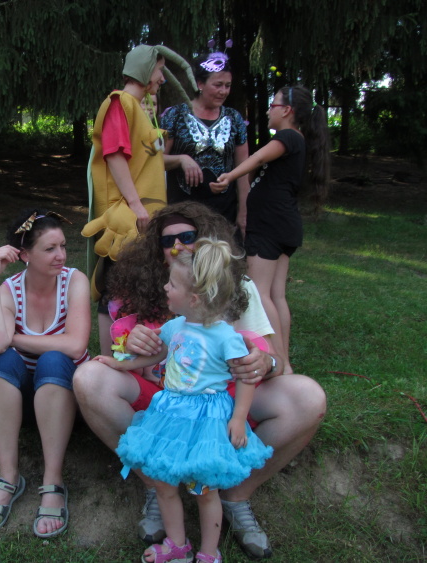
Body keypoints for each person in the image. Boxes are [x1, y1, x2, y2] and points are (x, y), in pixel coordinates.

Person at [73, 202, 327, 559]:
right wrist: (126, 348)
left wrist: (264, 362)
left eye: (187, 236)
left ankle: (235, 495)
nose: (177, 246)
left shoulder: (236, 287)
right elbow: (130, 351)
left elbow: (278, 362)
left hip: (218, 403)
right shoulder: (147, 289)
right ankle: (158, 484)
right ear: (156, 249)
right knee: (88, 378)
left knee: (309, 396)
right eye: (167, 241)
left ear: (206, 239)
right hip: (163, 402)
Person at [94, 238, 273, 563]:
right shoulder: (174, 327)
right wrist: (120, 364)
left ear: (193, 298)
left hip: (206, 422)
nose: (165, 287)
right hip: (169, 415)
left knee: (204, 490)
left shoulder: (226, 337)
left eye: (172, 284)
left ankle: (209, 552)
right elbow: (157, 354)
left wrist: (238, 418)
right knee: (164, 484)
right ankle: (177, 543)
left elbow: (246, 377)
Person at [0, 209, 91, 538]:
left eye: (63, 246)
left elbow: (75, 345)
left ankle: (52, 481)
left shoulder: (74, 280)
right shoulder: (10, 289)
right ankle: (8, 477)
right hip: (24, 405)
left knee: (53, 359)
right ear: (25, 255)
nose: (61, 256)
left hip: (67, 401)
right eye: (50, 249)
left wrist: (14, 338)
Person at [82, 44, 196, 354]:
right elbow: (115, 155)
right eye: (159, 71)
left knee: (141, 287)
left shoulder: (139, 110)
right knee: (116, 286)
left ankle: (140, 358)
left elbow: (147, 162)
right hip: (128, 219)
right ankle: (110, 360)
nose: (162, 78)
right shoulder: (120, 102)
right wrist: (135, 206)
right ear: (145, 70)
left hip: (146, 218)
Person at [210, 85, 330, 375]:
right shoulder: (296, 139)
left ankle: (276, 360)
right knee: (276, 295)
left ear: (287, 110)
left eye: (273, 105)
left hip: (269, 225)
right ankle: (284, 363)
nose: (267, 110)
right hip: (282, 224)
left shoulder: (288, 136)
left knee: (259, 292)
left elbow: (258, 158)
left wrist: (229, 176)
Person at [160, 45, 251, 230]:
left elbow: (243, 170)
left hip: (223, 214)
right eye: (218, 85)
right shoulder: (175, 115)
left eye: (227, 86)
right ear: (200, 84)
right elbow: (156, 161)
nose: (223, 91)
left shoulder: (234, 118)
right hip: (181, 212)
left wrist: (244, 211)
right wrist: (181, 159)